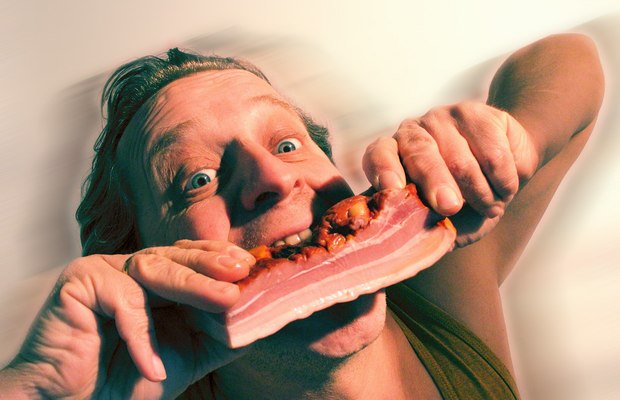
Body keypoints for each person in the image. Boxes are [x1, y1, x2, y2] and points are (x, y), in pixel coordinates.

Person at [0, 33, 604, 399]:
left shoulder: (435, 286)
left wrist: (511, 136)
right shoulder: (134, 387)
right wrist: (37, 394)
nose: (270, 177)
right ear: (144, 265)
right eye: (197, 179)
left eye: (287, 144)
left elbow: (568, 57)